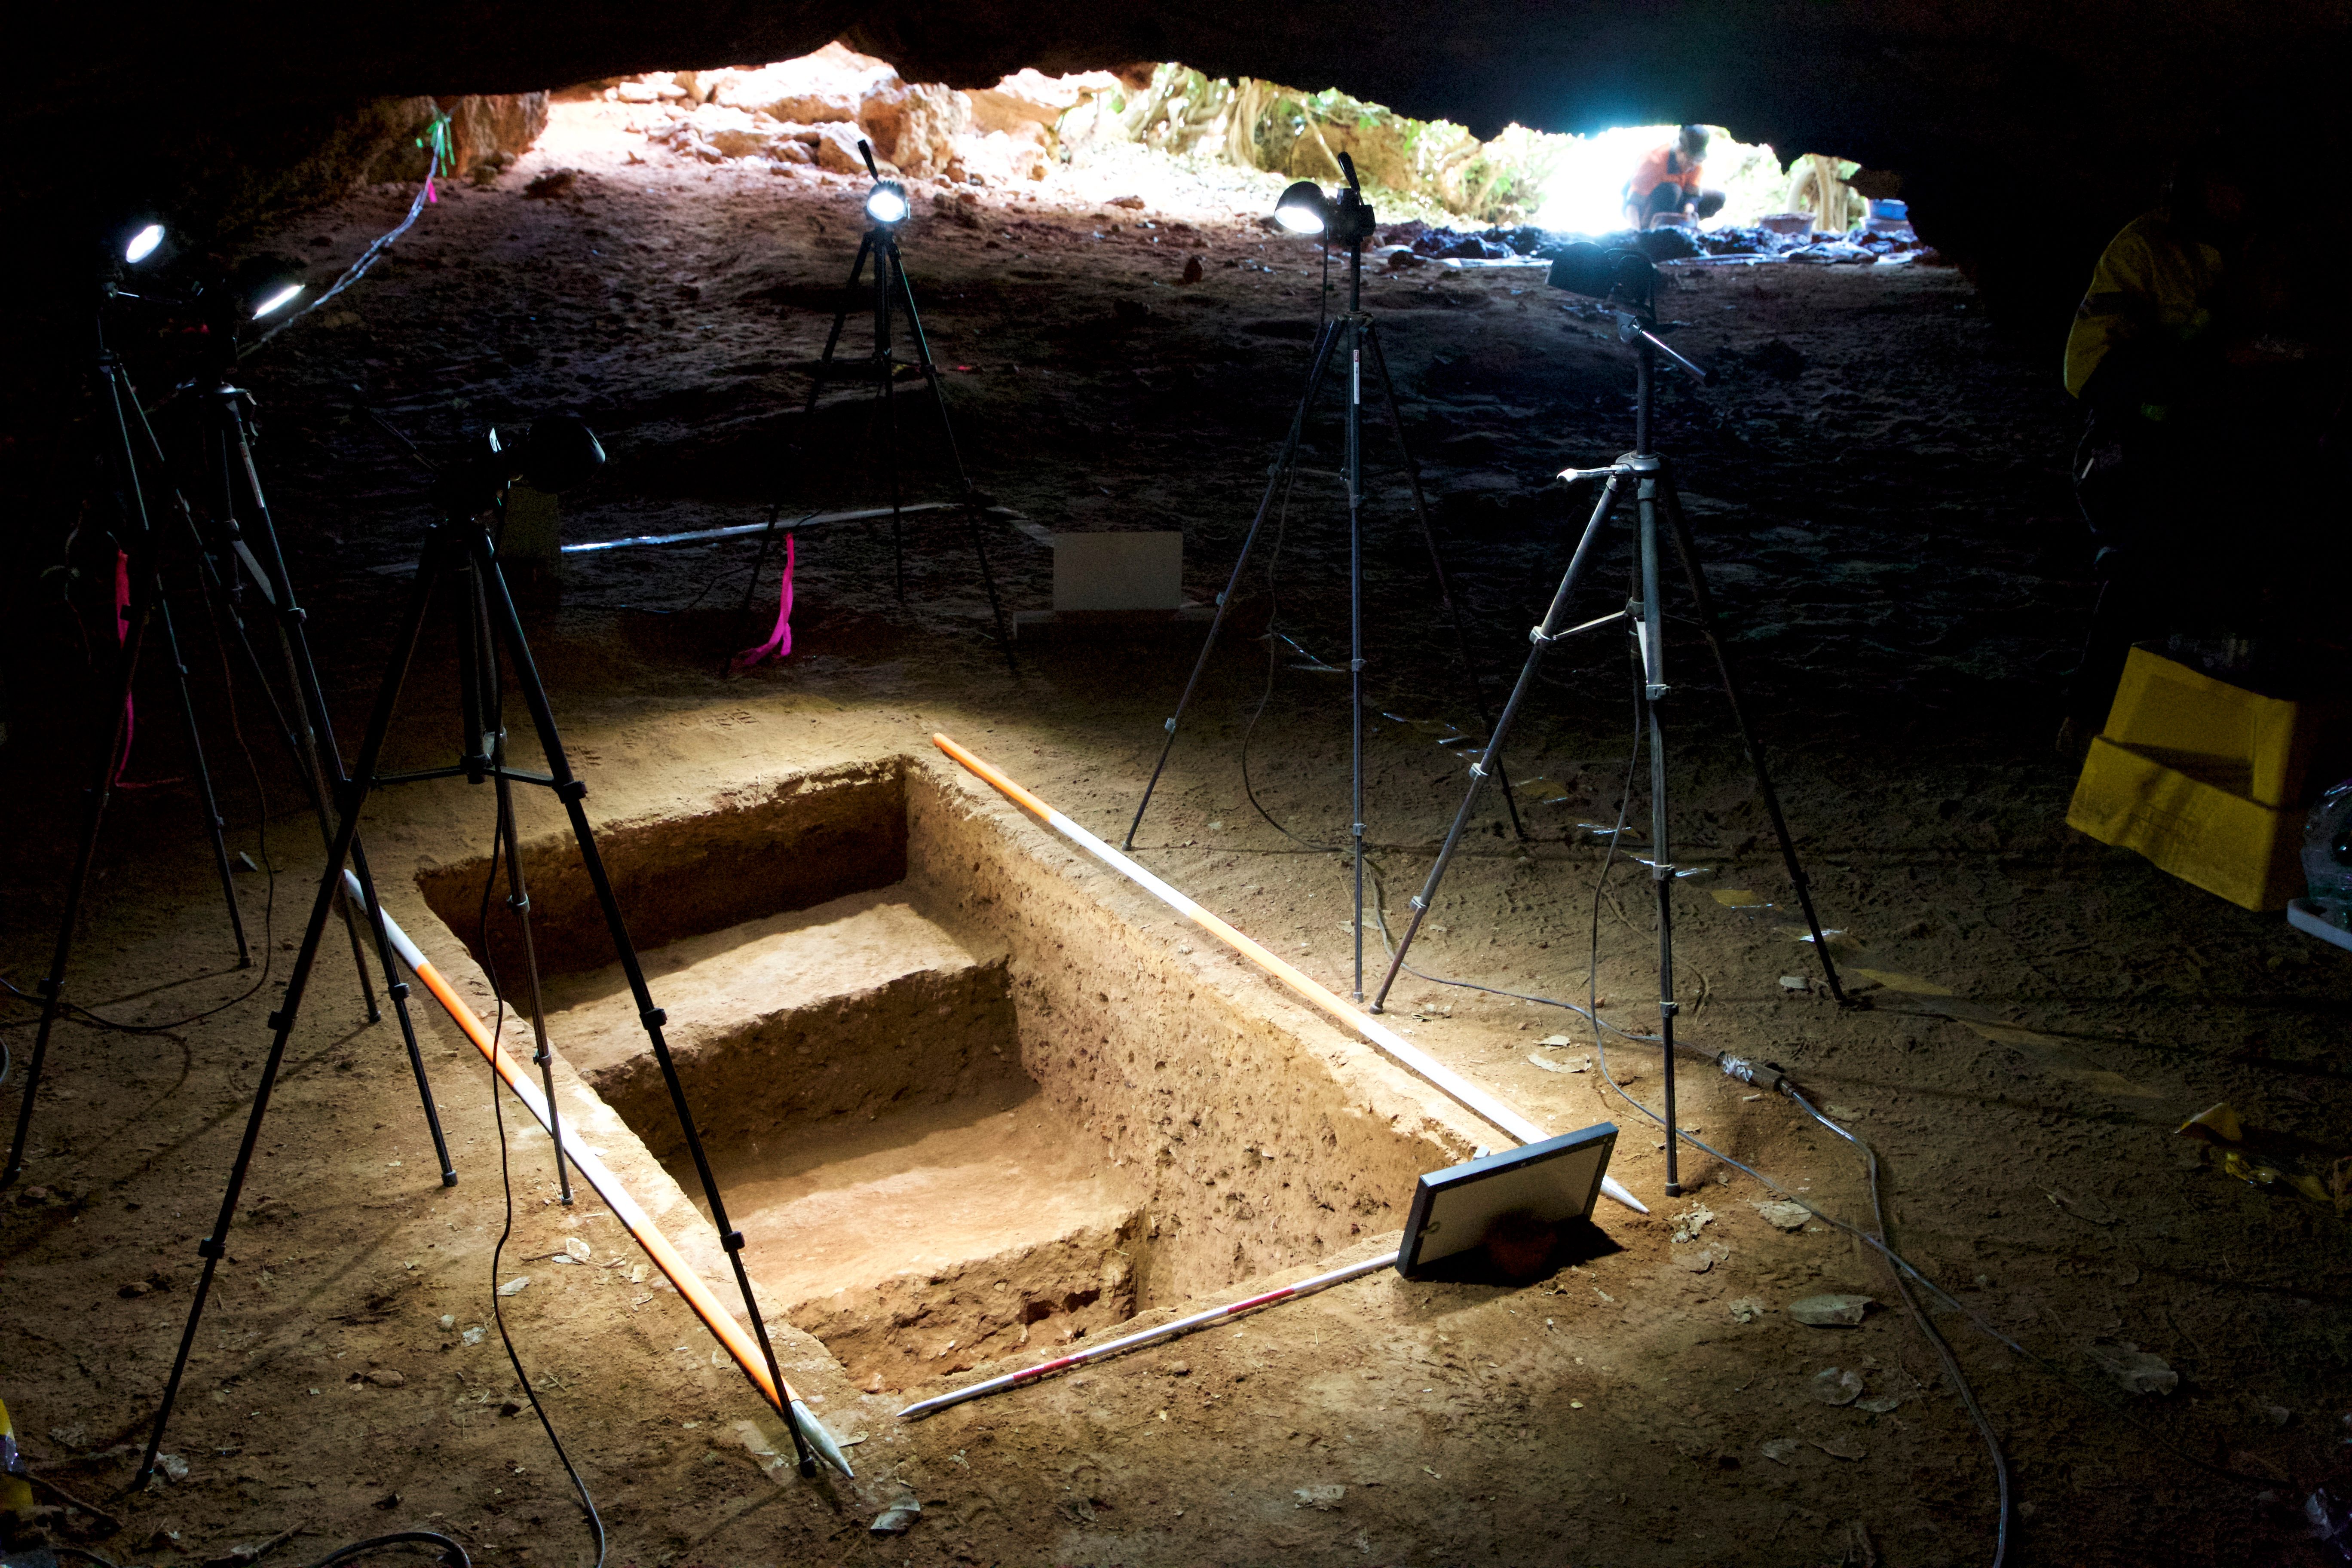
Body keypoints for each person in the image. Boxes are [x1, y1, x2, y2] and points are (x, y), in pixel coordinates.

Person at [2058, 131, 2339, 746]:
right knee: (2145, 567)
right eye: (2223, 186)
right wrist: (2220, 361)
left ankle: (2212, 725)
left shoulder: (2268, 249)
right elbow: (2092, 373)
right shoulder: (2146, 248)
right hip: (2140, 443)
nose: (2236, 200)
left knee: (2258, 570)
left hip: (2232, 443)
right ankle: (2088, 720)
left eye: (2248, 187)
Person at [1624, 125, 1726, 230]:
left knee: (1718, 198)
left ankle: (1683, 226)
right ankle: (1652, 229)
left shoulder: (1695, 163)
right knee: (1673, 190)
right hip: (1646, 207)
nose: (1692, 165)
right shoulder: (1654, 161)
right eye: (1689, 160)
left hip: (1677, 204)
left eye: (1696, 161)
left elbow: (1692, 195)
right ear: (1679, 151)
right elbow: (1633, 204)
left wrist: (1689, 208)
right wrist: (1636, 232)